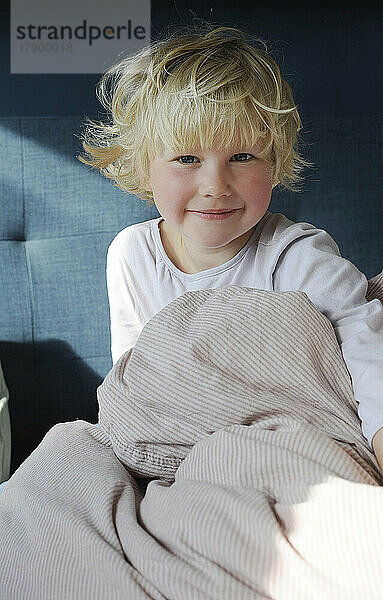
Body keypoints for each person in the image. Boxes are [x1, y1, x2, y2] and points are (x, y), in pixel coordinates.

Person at [78, 25, 383, 472]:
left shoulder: (296, 254)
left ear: (274, 164)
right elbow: (136, 381)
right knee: (69, 451)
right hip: (184, 453)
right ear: (145, 170)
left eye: (242, 157)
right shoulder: (132, 254)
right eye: (186, 159)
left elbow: (364, 344)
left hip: (287, 442)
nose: (215, 186)